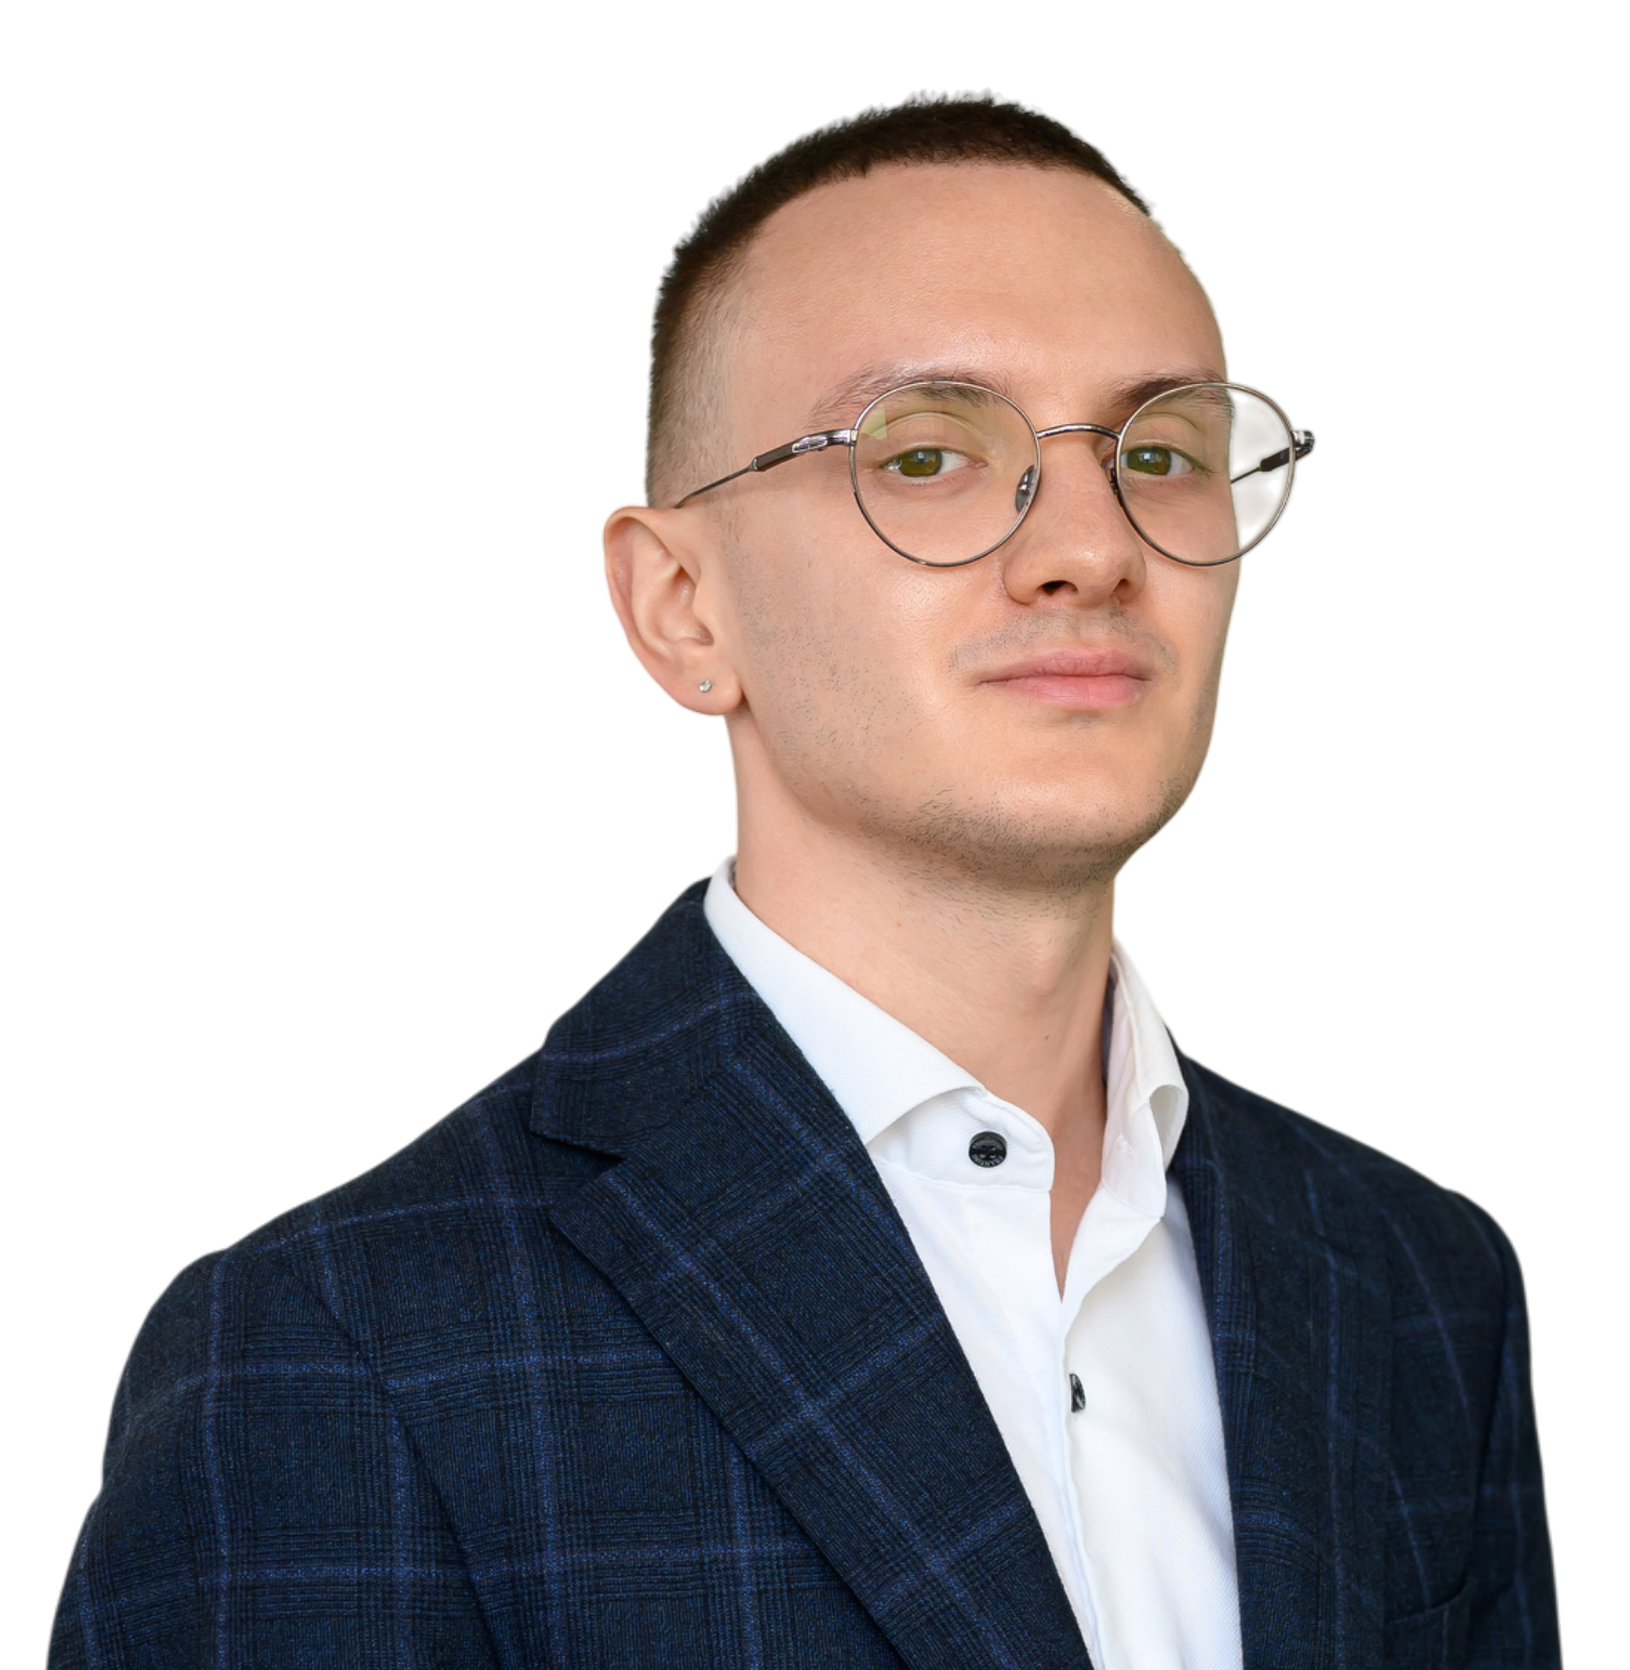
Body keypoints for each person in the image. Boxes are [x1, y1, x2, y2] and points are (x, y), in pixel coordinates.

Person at [51, 89, 1556, 1669]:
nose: (1093, 547)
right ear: (679, 604)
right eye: (927, 454)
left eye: (1164, 451)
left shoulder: (1413, 1284)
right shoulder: (337, 1348)